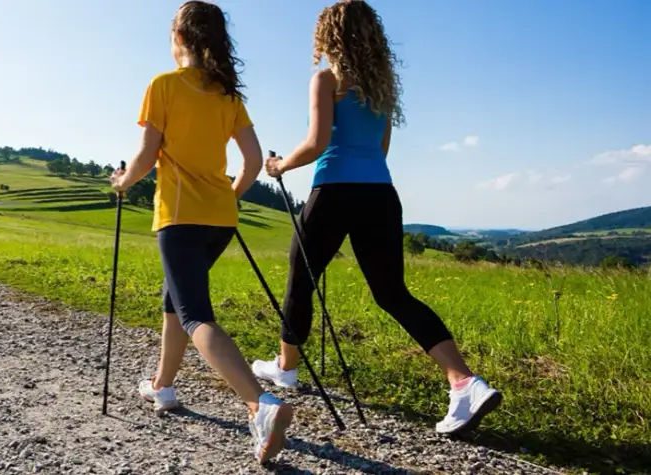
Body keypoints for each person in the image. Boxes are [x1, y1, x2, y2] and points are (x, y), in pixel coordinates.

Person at [252, 0, 502, 436]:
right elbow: (381, 148)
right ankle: (464, 382)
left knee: (300, 277)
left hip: (333, 190)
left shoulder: (326, 79)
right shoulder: (381, 86)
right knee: (392, 293)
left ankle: (286, 369)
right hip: (381, 194)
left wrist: (280, 167)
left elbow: (316, 142)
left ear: (329, 37)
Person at [110, 0, 295, 463]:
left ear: (181, 38)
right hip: (220, 219)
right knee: (173, 300)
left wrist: (121, 182)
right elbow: (252, 162)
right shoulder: (230, 96)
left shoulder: (163, 85)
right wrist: (229, 195)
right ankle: (163, 386)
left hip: (179, 216)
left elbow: (147, 156)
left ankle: (261, 405)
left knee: (195, 315)